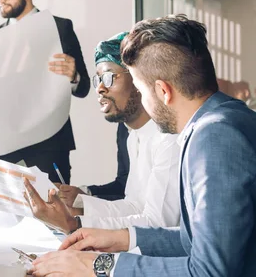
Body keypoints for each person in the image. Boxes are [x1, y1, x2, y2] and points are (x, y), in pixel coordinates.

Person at [30, 15, 256, 277]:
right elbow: (195, 241)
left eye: (140, 87)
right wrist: (122, 238)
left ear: (163, 91)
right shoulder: (225, 118)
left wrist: (96, 266)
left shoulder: (215, 137)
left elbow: (210, 271)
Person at [24, 32, 180, 232]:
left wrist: (76, 223)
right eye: (98, 80)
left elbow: (157, 224)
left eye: (108, 77)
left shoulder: (168, 138)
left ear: (139, 79)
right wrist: (77, 205)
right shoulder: (133, 135)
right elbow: (133, 205)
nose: (100, 89)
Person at [0, 0, 90, 184]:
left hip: (48, 146)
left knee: (53, 215)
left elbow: (84, 88)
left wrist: (73, 76)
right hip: (5, 148)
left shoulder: (60, 28)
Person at [58, 123, 129, 205]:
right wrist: (84, 193)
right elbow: (123, 183)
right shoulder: (123, 127)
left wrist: (84, 202)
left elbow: (141, 202)